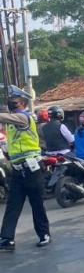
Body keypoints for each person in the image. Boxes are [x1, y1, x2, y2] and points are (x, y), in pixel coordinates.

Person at [0, 85, 51, 252]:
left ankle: (44, 234)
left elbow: (4, 117)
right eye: (10, 102)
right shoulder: (11, 121)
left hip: (32, 169)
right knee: (12, 204)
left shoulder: (24, 118)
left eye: (14, 102)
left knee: (36, 203)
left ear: (22, 103)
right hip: (17, 170)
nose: (11, 104)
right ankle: (7, 239)